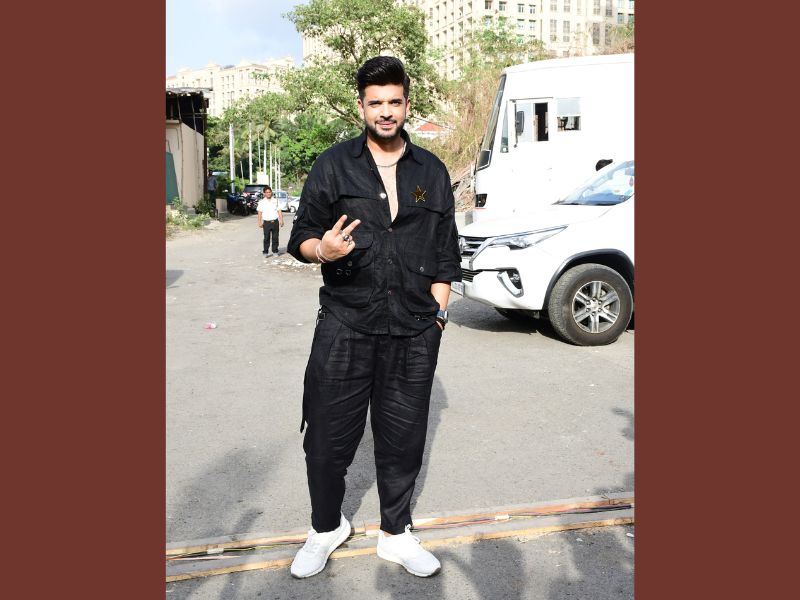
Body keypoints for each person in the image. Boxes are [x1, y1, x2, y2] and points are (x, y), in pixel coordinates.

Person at [287, 56, 461, 579]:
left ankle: (395, 534)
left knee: (402, 439)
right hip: (346, 322)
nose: (386, 111)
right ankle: (326, 527)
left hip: (414, 328)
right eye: (375, 102)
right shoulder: (333, 166)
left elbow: (446, 251)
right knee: (325, 439)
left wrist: (439, 315)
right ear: (361, 106)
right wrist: (323, 250)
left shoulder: (431, 171)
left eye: (394, 101)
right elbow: (301, 236)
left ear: (406, 104)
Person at [257, 186, 284, 256]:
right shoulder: (261, 202)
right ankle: (265, 251)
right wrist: (259, 222)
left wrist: (281, 220)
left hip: (275, 222)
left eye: (269, 192)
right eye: (266, 192)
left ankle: (275, 251)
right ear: (264, 193)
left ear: (271, 192)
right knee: (266, 238)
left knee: (275, 237)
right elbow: (259, 212)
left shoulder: (275, 201)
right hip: (266, 223)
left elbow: (279, 211)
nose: (268, 193)